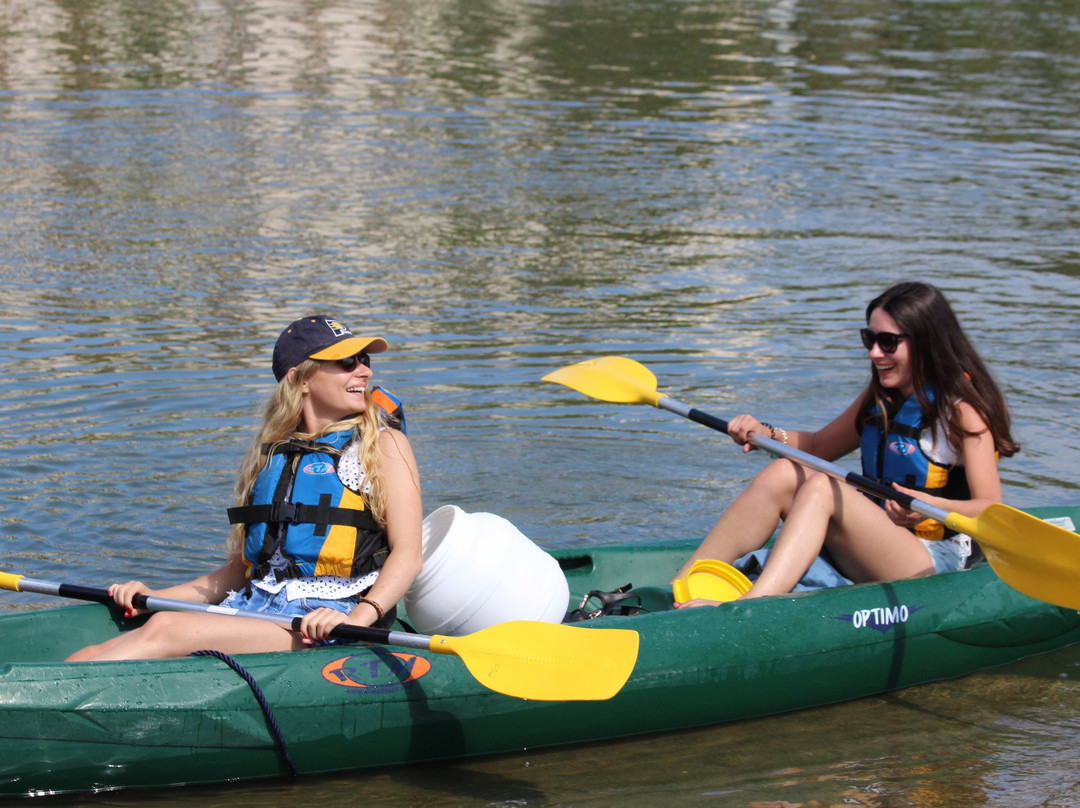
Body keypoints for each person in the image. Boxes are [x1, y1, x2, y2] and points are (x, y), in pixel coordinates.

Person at [68, 316, 423, 660]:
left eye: (365, 360)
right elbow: (240, 573)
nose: (365, 371)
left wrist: (356, 619)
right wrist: (155, 595)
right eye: (347, 362)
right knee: (117, 642)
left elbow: (408, 555)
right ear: (300, 379)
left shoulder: (384, 445)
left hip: (328, 619)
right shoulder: (271, 454)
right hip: (258, 605)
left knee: (165, 629)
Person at [674, 281, 1018, 605]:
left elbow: (991, 509)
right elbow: (819, 445)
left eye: (888, 342)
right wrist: (766, 433)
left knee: (823, 488)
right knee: (783, 472)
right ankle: (681, 585)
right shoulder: (880, 399)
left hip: (934, 559)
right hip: (878, 543)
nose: (874, 352)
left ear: (926, 343)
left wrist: (927, 505)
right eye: (869, 338)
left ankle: (752, 607)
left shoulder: (963, 412)